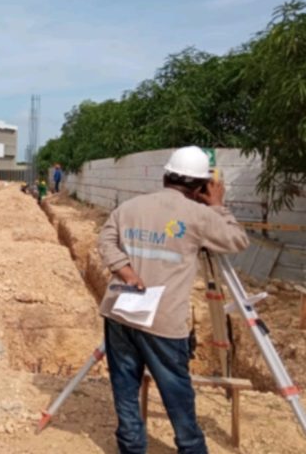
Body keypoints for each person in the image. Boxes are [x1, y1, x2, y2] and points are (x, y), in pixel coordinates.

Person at [97, 146, 249, 454]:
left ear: (166, 175)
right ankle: (191, 448)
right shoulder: (199, 215)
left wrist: (127, 273)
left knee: (125, 387)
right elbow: (237, 240)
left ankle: (131, 447)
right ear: (200, 186)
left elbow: (106, 240)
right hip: (163, 323)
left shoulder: (130, 207)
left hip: (121, 312)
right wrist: (218, 206)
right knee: (176, 391)